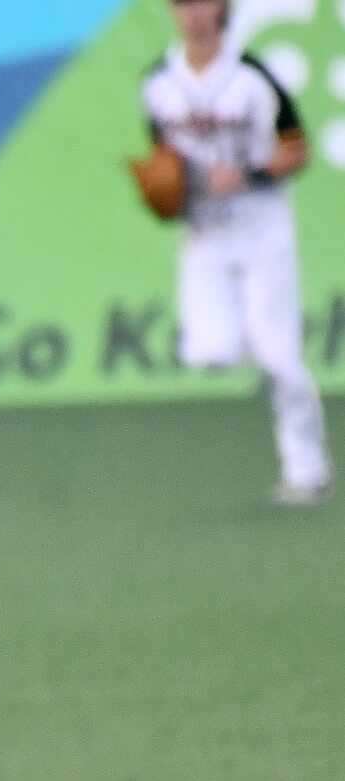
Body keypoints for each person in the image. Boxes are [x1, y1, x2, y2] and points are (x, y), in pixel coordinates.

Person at [142, 0, 332, 504]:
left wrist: (249, 174)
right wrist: (167, 190)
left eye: (202, 2)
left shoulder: (253, 76)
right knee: (210, 350)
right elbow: (163, 158)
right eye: (182, 4)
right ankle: (257, 344)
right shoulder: (158, 82)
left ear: (222, 8)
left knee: (279, 358)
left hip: (263, 226)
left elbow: (298, 148)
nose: (193, 13)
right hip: (204, 233)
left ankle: (307, 468)